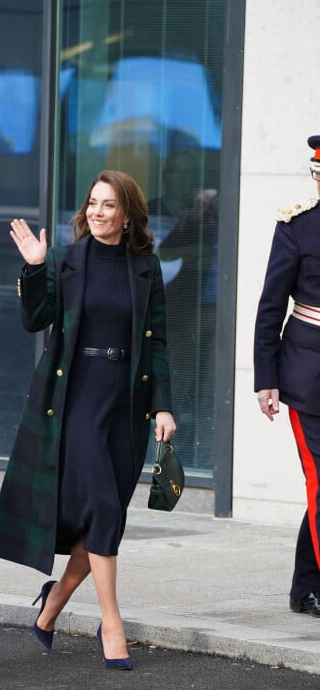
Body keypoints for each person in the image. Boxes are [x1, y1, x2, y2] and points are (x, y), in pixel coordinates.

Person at [0, 170, 176, 669]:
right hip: (77, 397)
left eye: (108, 205)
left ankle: (53, 603)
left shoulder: (145, 267)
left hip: (125, 404)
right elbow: (35, 318)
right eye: (92, 203)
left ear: (128, 214)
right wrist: (32, 268)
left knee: (103, 516)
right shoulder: (68, 260)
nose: (97, 212)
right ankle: (112, 625)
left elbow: (157, 342)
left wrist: (164, 405)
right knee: (106, 510)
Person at [254, 133, 320, 619]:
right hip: (308, 377)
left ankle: (304, 586)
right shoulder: (298, 226)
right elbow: (271, 306)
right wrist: (266, 377)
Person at [147, 149, 218, 466]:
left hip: (205, 317)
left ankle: (198, 457)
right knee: (167, 394)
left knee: (203, 395)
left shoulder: (207, 217)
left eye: (187, 172)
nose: (178, 178)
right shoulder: (148, 213)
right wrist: (196, 252)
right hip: (164, 320)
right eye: (173, 170)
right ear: (165, 174)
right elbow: (158, 258)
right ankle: (155, 462)